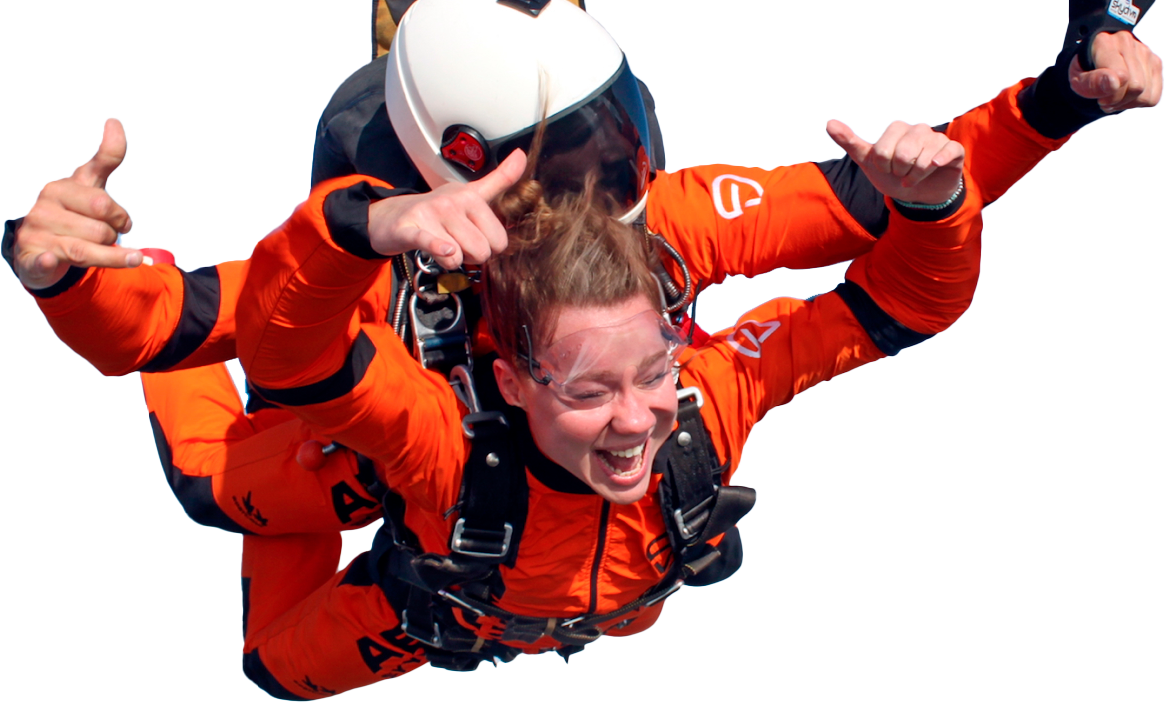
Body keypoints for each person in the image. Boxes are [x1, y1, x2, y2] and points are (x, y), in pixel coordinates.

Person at [229, 109, 979, 697]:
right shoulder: (445, 442)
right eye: (589, 390)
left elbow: (905, 307)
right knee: (252, 605)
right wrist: (357, 229)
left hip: (580, 605)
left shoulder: (712, 397)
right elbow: (290, 357)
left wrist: (937, 204)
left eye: (652, 373)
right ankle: (245, 377)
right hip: (438, 608)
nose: (636, 419)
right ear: (512, 385)